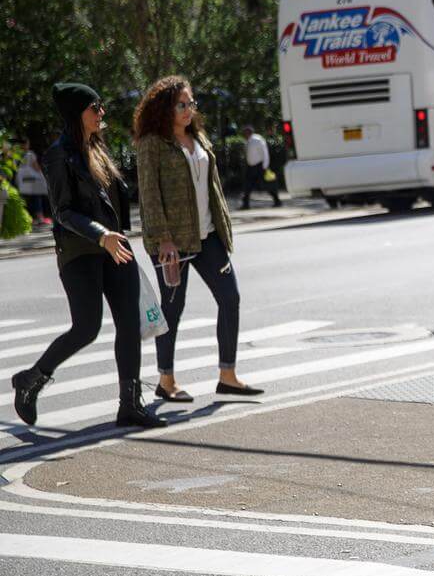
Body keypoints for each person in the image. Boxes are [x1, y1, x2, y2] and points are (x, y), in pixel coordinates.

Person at [9, 83, 166, 430]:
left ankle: (130, 405)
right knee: (87, 327)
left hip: (114, 246)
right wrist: (101, 235)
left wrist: (116, 236)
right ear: (76, 113)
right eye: (95, 107)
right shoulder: (58, 155)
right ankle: (32, 378)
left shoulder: (98, 149)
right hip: (81, 251)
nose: (101, 112)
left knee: (129, 322)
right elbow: (63, 211)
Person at [134, 76, 262, 402]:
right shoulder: (152, 144)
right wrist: (163, 239)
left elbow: (212, 187)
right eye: (181, 104)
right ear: (165, 107)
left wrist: (223, 227)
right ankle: (166, 380)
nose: (189, 109)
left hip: (207, 236)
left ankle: (228, 375)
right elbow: (149, 196)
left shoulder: (198, 137)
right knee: (173, 309)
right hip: (173, 242)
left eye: (191, 103)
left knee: (230, 298)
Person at [239, 124, 280, 209]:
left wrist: (265, 166)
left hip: (259, 166)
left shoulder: (257, 139)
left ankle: (277, 200)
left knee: (266, 184)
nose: (244, 135)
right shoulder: (248, 141)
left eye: (245, 133)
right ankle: (245, 204)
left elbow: (265, 153)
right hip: (251, 167)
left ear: (249, 132)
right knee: (248, 186)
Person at [16, 138, 51, 225]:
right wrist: (42, 175)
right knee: (36, 196)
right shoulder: (30, 154)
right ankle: (39, 218)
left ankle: (27, 218)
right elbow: (36, 167)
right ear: (26, 144)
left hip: (21, 179)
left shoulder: (16, 154)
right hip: (31, 178)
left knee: (25, 198)